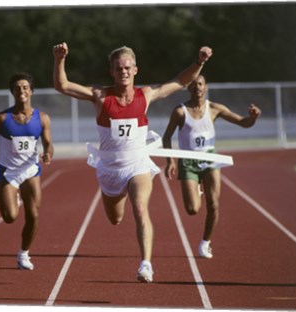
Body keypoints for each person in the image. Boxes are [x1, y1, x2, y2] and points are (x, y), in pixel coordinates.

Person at [53, 42, 212, 282]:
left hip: (137, 165)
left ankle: (146, 264)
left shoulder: (145, 95)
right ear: (112, 72)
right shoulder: (100, 96)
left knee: (140, 208)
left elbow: (180, 81)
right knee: (115, 219)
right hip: (109, 169)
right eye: (119, 68)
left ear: (135, 70)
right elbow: (62, 85)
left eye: (128, 67)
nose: (124, 72)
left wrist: (199, 62)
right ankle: (120, 198)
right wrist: (59, 59)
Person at [162, 74, 261, 259]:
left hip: (210, 159)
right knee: (192, 209)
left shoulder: (215, 109)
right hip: (188, 161)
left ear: (205, 88)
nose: (197, 87)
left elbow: (242, 123)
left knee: (214, 204)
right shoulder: (180, 112)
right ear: (189, 88)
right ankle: (197, 188)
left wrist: (253, 118)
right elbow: (166, 136)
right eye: (193, 84)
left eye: (200, 84)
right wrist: (171, 161)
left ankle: (205, 242)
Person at [0, 72, 54, 270]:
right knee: (9, 217)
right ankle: (16, 198)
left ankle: (24, 254)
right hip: (8, 172)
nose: (22, 91)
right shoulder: (3, 118)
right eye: (18, 88)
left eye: (25, 87)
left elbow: (48, 143)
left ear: (31, 91)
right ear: (12, 92)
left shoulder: (42, 118)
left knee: (34, 215)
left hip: (30, 171)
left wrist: (47, 153)